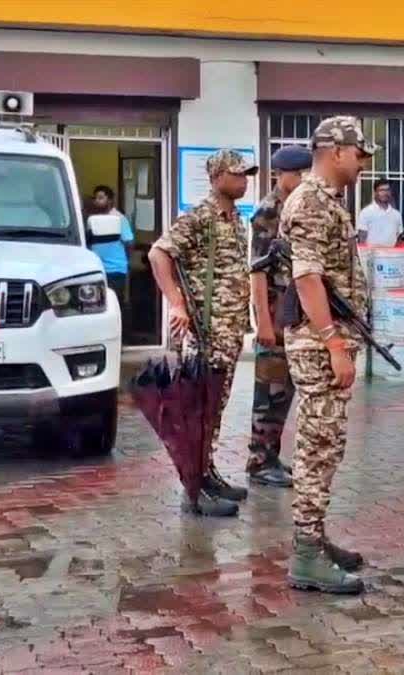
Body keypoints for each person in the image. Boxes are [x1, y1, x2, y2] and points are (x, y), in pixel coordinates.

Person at [281, 116, 375, 594]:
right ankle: (305, 555)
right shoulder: (313, 201)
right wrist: (333, 343)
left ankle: (314, 540)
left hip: (327, 341)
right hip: (320, 345)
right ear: (336, 150)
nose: (363, 164)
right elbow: (307, 277)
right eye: (359, 154)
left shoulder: (328, 201)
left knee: (327, 445)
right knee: (317, 448)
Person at [148, 149, 255, 517]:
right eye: (237, 174)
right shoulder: (200, 216)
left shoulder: (234, 219)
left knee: (214, 411)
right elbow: (158, 254)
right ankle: (193, 491)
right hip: (205, 334)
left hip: (227, 333)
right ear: (216, 177)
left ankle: (206, 474)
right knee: (196, 413)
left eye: (246, 174)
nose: (244, 181)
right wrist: (177, 304)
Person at [247, 145, 311, 488]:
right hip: (274, 313)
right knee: (268, 389)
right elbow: (257, 272)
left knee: (283, 389)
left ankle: (270, 455)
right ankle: (258, 460)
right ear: (278, 174)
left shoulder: (296, 209)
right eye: (295, 174)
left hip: (292, 314)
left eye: (305, 174)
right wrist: (264, 323)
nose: (301, 180)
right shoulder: (267, 213)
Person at [87, 185, 134, 301]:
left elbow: (129, 242)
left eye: (101, 198)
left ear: (110, 200)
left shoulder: (119, 219)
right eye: (95, 198)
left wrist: (126, 262)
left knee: (114, 302)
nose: (97, 201)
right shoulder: (92, 219)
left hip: (115, 269)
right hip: (96, 269)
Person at [357, 177, 403, 247]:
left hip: (392, 255)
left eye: (387, 190)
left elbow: (399, 237)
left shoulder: (397, 215)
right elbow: (362, 239)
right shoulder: (366, 212)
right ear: (375, 192)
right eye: (382, 190)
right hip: (372, 256)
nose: (385, 193)